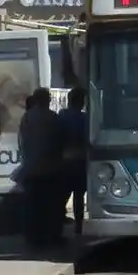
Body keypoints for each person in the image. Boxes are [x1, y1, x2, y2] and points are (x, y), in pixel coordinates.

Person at [19, 88, 65, 248]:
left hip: (31, 168)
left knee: (33, 206)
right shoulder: (53, 118)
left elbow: (22, 142)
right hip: (50, 168)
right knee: (52, 206)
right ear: (47, 100)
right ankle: (52, 236)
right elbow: (60, 143)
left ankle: (33, 237)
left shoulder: (27, 118)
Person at [58, 87, 86, 236]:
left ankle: (58, 222)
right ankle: (79, 225)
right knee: (79, 195)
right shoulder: (85, 118)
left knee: (62, 194)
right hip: (80, 160)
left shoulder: (62, 115)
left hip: (64, 160)